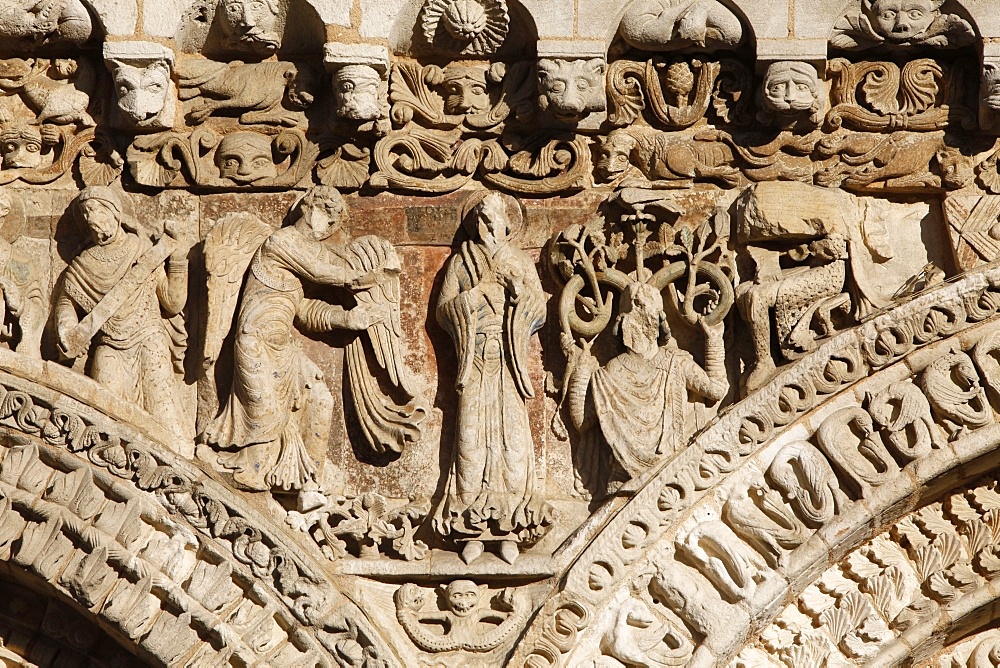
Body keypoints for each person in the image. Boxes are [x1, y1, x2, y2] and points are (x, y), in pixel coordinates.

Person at [202, 186, 396, 492]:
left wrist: (347, 319)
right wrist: (376, 275)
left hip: (283, 350)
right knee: (264, 420)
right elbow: (323, 273)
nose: (329, 226)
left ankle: (308, 484)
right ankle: (252, 478)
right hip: (255, 345)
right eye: (326, 214)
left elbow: (304, 311)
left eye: (335, 222)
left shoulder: (295, 266)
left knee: (321, 400)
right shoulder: (282, 242)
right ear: (308, 206)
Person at [433, 190, 552, 565]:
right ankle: (470, 530)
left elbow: (540, 310)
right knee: (470, 440)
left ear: (505, 223)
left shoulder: (517, 260)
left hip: (507, 359)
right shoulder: (460, 263)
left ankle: (511, 530)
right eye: (480, 218)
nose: (486, 225)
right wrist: (477, 294)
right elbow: (443, 311)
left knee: (512, 442)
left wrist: (518, 294)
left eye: (492, 218)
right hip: (475, 357)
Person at [565, 281, 727, 491]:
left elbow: (581, 421)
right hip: (650, 480)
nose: (642, 326)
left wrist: (580, 372)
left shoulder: (672, 363)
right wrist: (581, 372)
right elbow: (717, 388)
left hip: (664, 479)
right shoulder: (613, 372)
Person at [56, 186, 188, 436]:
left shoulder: (143, 251)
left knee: (164, 413)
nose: (90, 218)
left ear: (115, 212)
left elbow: (173, 303)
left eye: (96, 210)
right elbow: (66, 303)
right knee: (108, 419)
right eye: (84, 214)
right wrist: (66, 330)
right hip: (109, 347)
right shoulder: (82, 264)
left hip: (149, 340)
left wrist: (179, 259)